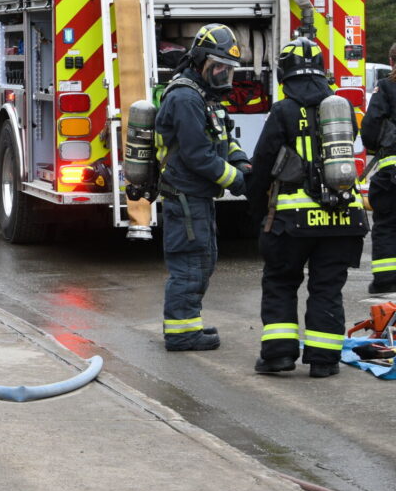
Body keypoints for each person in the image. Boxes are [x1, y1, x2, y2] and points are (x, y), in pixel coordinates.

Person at [246, 37, 367, 377]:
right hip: (345, 220)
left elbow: (264, 162)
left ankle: (279, 356)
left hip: (292, 223)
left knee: (281, 283)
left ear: (285, 73)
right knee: (327, 287)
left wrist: (255, 210)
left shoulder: (283, 111)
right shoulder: (340, 108)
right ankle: (324, 361)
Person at [155, 23, 249, 351]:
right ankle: (182, 333)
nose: (224, 74)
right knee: (190, 261)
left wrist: (242, 163)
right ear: (200, 61)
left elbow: (223, 139)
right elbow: (197, 155)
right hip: (184, 194)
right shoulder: (184, 97)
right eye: (218, 67)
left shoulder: (204, 96)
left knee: (203, 259)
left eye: (228, 69)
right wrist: (239, 183)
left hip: (197, 195)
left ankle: (188, 322)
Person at [360, 42, 396, 295]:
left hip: (392, 174)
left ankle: (386, 281)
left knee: (387, 225)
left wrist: (377, 145)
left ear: (392, 62)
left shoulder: (386, 87)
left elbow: (371, 128)